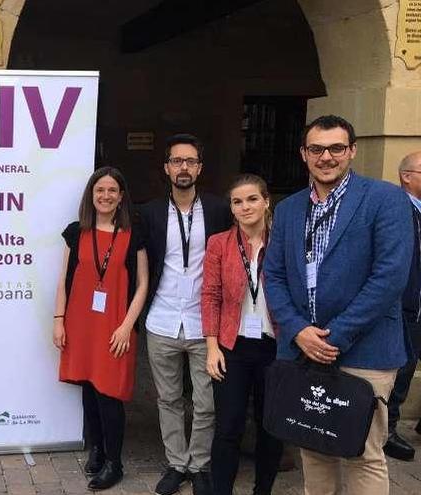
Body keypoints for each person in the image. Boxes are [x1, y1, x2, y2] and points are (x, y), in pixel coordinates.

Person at [263, 115, 412, 495]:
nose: (326, 157)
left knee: (364, 453)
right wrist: (298, 331)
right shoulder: (290, 208)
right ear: (303, 154)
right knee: (313, 446)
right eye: (317, 149)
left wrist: (334, 336)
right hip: (303, 350)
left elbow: (390, 277)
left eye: (336, 148)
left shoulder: (385, 200)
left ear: (352, 151)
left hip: (366, 350)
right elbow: (274, 276)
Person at [140, 134, 232, 495]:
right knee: (168, 399)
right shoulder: (148, 212)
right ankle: (177, 464)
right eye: (177, 161)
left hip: (203, 324)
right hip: (161, 321)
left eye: (190, 161)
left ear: (199, 168)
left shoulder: (219, 209)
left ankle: (201, 465)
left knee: (206, 401)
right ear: (166, 168)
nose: (183, 167)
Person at [53, 166, 149, 491]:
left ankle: (114, 462)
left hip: (115, 326)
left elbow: (142, 285)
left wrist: (127, 326)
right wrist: (58, 320)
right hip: (81, 323)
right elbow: (64, 280)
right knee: (89, 388)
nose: (105, 196)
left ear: (121, 197)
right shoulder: (75, 232)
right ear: (91, 196)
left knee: (110, 393)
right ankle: (96, 449)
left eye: (112, 191)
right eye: (99, 190)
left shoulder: (133, 233)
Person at [201, 174, 282, 495]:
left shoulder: (284, 241)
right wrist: (211, 347)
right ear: (231, 208)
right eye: (237, 201)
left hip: (275, 347)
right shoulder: (219, 243)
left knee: (271, 428)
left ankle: (263, 490)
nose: (245, 206)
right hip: (230, 347)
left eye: (251, 199)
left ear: (266, 201)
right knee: (228, 428)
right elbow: (210, 295)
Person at [382, 151, 421, 461]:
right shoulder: (397, 209)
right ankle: (388, 430)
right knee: (403, 369)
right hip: (406, 305)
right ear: (407, 176)